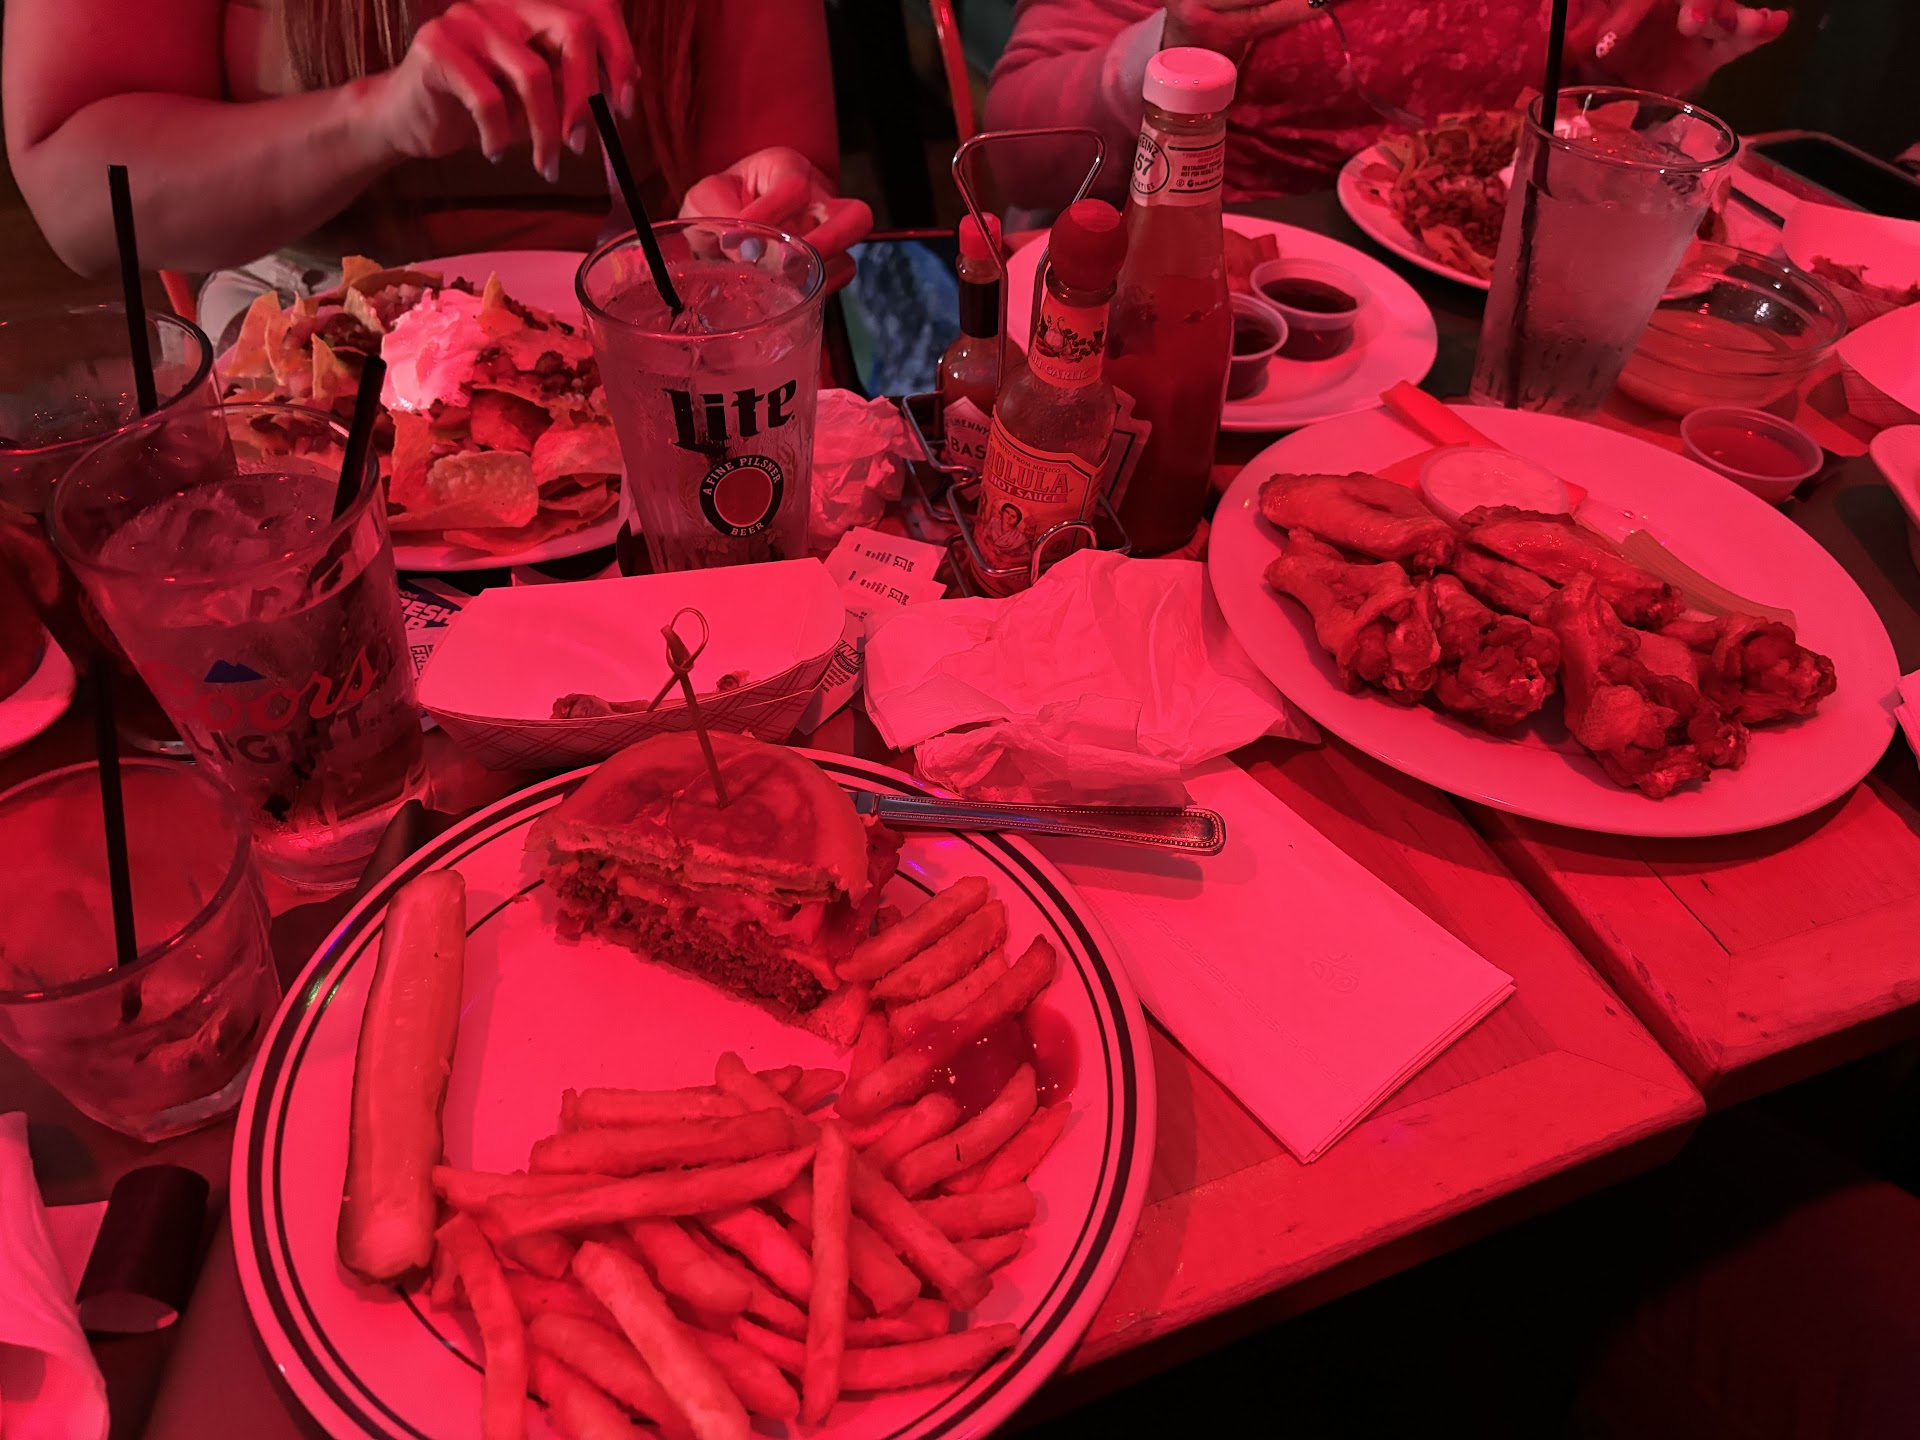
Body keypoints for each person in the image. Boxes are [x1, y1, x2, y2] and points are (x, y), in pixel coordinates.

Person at [3, 0, 870, 343]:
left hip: (650, 350)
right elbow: (80, 203)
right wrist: (378, 117)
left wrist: (744, 233)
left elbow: (763, 187)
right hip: (302, 386)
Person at [985, 0, 1790, 205]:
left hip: (1477, 301)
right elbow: (1015, 157)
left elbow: (1583, 87)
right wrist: (1171, 48)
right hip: (1218, 292)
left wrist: (1666, 57)